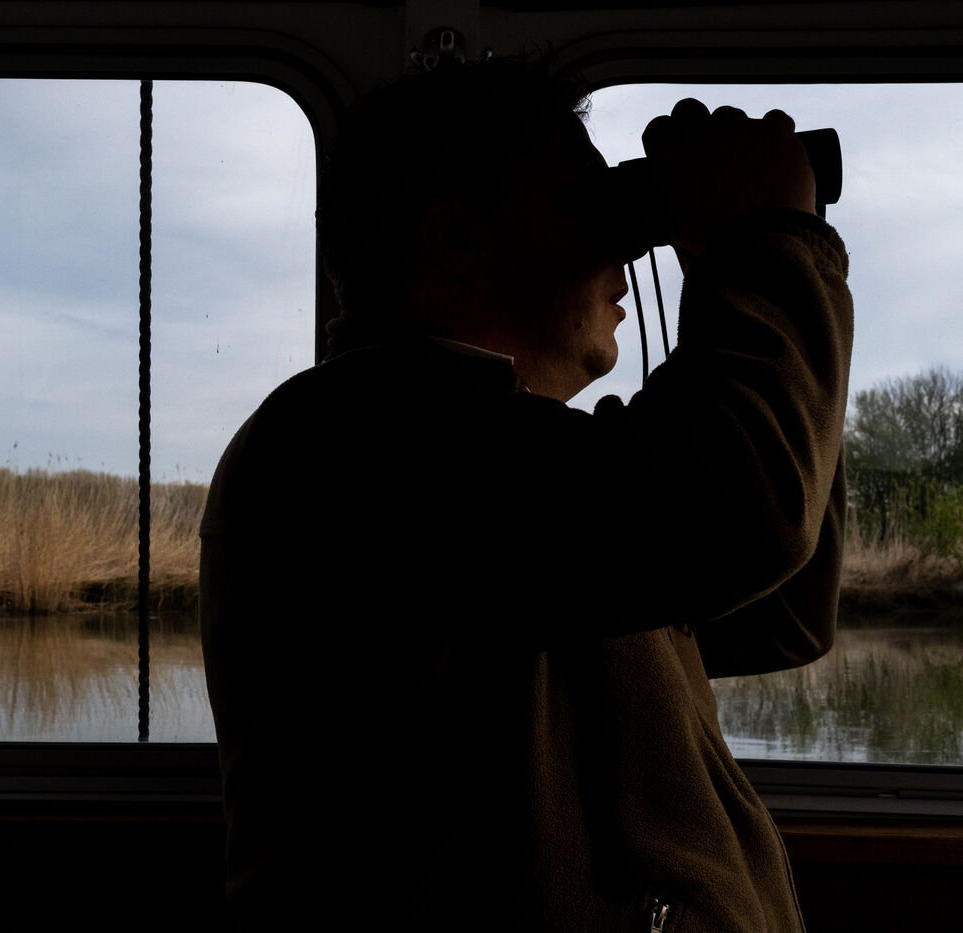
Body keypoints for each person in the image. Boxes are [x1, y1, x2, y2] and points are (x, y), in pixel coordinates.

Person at [200, 58, 851, 932]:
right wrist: (766, 239)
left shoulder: (523, 467)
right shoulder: (352, 443)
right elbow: (749, 509)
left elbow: (785, 610)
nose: (626, 242)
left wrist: (751, 264)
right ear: (459, 236)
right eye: (590, 202)